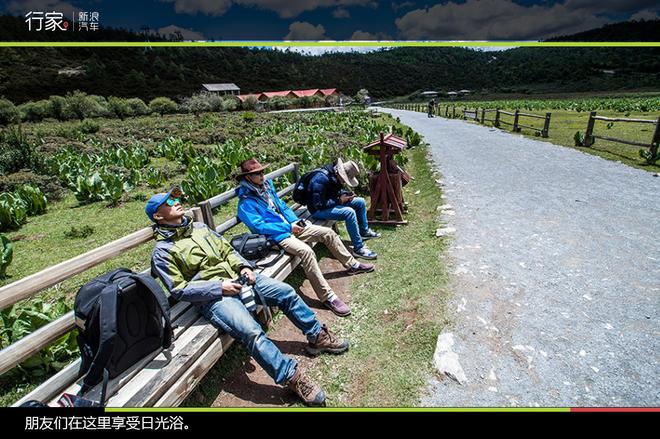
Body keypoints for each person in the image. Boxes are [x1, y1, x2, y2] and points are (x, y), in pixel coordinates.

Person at [147, 186, 348, 406]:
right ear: (158, 216)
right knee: (251, 331)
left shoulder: (199, 227)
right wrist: (219, 287)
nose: (176, 202)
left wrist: (244, 266)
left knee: (286, 292)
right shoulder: (162, 251)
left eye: (176, 198)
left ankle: (317, 336)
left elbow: (227, 250)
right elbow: (179, 289)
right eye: (168, 202)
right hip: (212, 297)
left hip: (239, 277)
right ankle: (292, 377)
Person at [236, 158, 375, 317]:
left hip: (291, 226)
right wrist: (288, 227)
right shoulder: (245, 203)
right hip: (277, 236)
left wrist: (295, 220)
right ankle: (327, 296)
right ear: (247, 177)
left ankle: (352, 264)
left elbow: (282, 206)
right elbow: (258, 227)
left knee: (328, 233)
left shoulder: (266, 187)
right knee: (307, 251)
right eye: (257, 174)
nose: (262, 175)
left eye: (262, 171)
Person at [306, 158, 380, 260]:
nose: (344, 182)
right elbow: (318, 204)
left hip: (328, 204)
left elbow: (334, 191)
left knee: (360, 202)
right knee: (349, 213)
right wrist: (339, 201)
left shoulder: (333, 175)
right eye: (345, 179)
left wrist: (346, 195)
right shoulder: (320, 179)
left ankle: (364, 232)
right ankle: (358, 249)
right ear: (340, 172)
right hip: (316, 210)